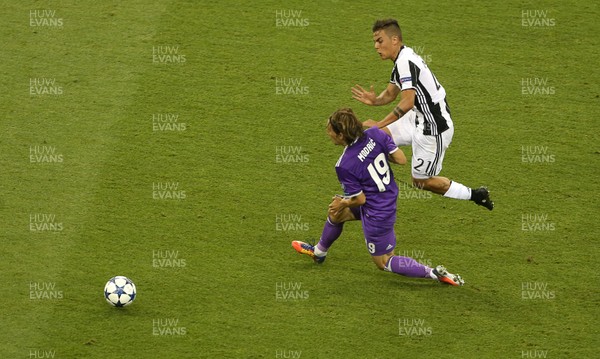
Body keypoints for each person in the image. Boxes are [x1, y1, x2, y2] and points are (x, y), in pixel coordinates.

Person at [292, 108, 464, 286]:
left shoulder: (344, 165)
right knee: (337, 214)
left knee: (384, 261)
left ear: (341, 135)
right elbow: (401, 159)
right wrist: (376, 152)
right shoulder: (375, 133)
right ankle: (319, 253)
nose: (328, 133)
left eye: (330, 130)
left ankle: (434, 273)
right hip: (385, 196)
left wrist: (342, 202)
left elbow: (359, 200)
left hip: (377, 211)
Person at [351, 19, 494, 210]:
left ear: (394, 40)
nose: (376, 46)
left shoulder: (405, 62)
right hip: (418, 118)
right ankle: (371, 189)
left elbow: (408, 102)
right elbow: (391, 93)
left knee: (420, 181)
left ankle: (476, 194)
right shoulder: (402, 58)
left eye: (379, 40)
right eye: (374, 41)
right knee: (376, 134)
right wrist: (375, 100)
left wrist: (379, 123)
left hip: (433, 128)